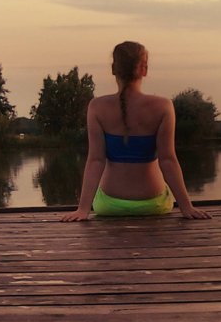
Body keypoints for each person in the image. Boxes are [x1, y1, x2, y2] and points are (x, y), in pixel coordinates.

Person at [61, 41, 212, 222]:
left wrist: (83, 209)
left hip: (109, 205)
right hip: (154, 204)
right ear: (144, 69)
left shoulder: (97, 107)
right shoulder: (163, 106)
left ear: (113, 69)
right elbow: (167, 160)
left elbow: (96, 160)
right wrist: (186, 207)